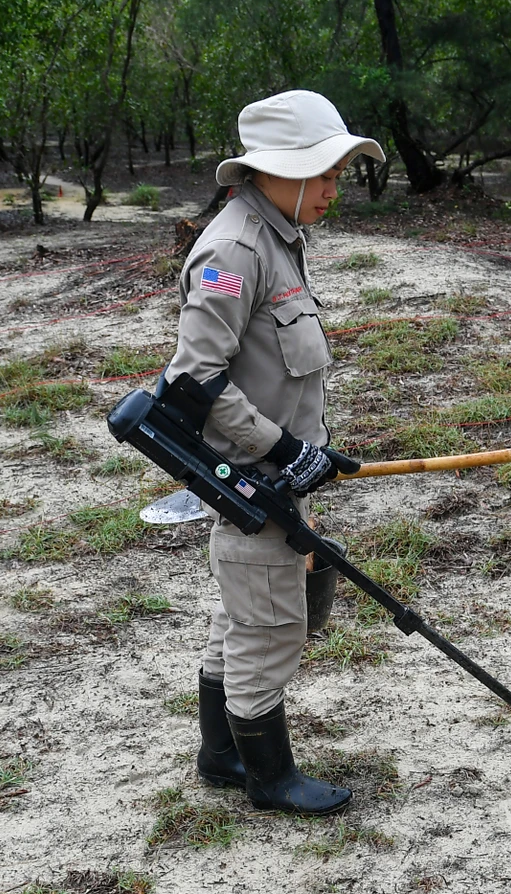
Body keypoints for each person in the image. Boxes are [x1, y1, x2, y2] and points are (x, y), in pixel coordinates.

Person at [162, 90, 384, 816]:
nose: (333, 188)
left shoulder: (278, 234)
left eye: (338, 172)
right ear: (274, 171)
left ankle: (221, 753)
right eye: (322, 173)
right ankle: (268, 775)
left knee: (241, 617)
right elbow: (194, 377)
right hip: (252, 476)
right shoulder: (233, 249)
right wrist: (284, 447)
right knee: (269, 626)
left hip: (279, 470)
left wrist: (309, 450)